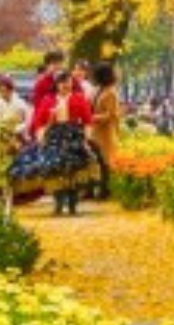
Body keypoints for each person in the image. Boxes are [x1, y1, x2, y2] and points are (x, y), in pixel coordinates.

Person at [11, 70, 95, 215]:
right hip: (54, 137)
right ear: (56, 84)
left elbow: (87, 120)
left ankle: (73, 204)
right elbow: (39, 122)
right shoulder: (47, 100)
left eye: (68, 81)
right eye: (62, 82)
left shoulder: (79, 98)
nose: (65, 85)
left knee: (75, 170)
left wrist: (87, 139)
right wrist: (42, 136)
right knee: (54, 170)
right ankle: (59, 202)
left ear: (71, 83)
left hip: (74, 136)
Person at [86, 60, 122, 200]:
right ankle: (94, 190)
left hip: (106, 133)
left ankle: (105, 191)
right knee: (96, 162)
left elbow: (111, 114)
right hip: (95, 133)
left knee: (105, 163)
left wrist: (92, 117)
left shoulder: (111, 93)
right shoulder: (98, 90)